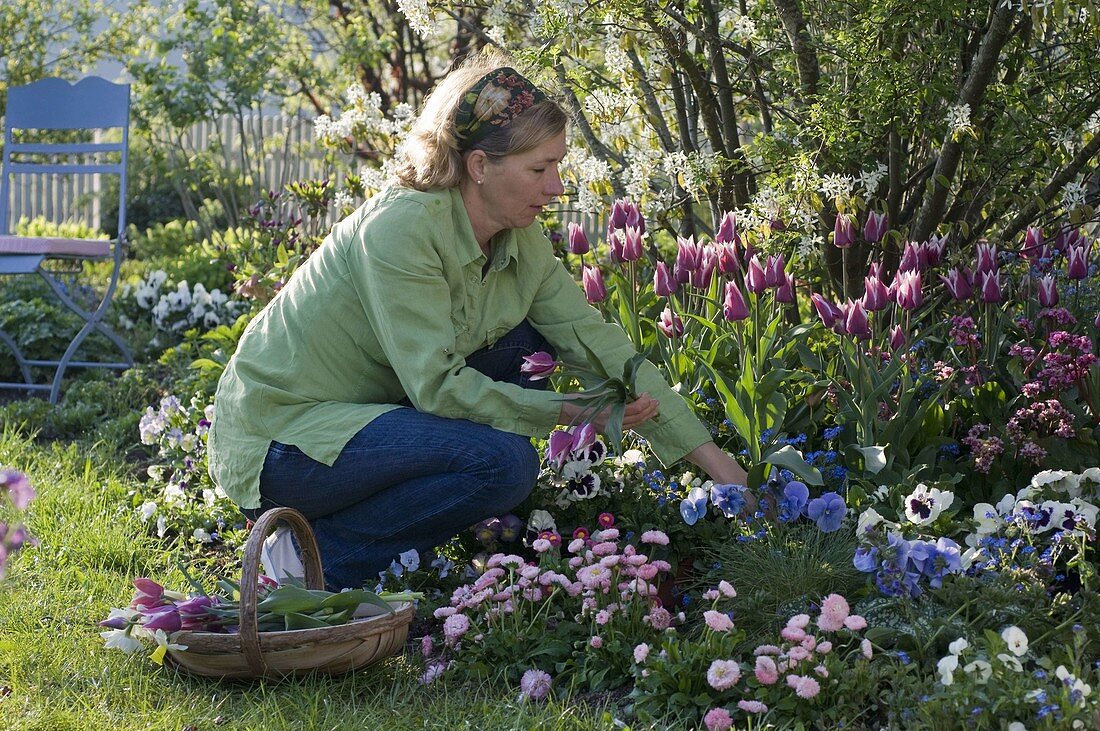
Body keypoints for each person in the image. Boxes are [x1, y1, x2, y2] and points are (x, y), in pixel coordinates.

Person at [208, 54, 749, 591]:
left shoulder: (518, 236)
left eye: (557, 166)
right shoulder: (401, 231)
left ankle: (406, 536)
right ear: (479, 166)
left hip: (373, 414)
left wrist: (720, 466)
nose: (557, 187)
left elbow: (595, 342)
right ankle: (308, 558)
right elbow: (437, 387)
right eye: (540, 169)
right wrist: (574, 411)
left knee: (527, 341)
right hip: (285, 437)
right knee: (503, 465)